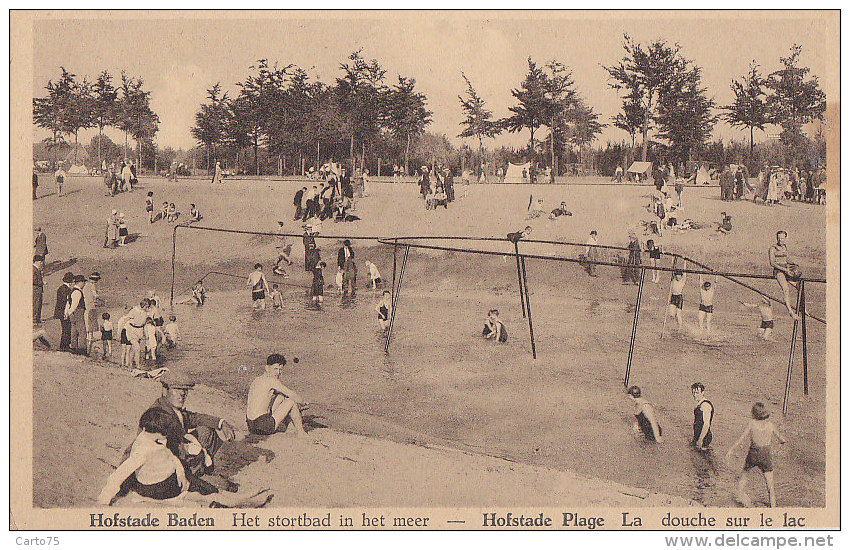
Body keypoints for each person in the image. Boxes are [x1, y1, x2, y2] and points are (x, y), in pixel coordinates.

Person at [135, 368, 238, 495]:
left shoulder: (172, 408)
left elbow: (196, 417)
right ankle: (200, 475)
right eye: (177, 389)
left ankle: (201, 472)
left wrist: (221, 423)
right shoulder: (158, 415)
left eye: (185, 390)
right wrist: (191, 450)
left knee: (206, 430)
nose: (182, 394)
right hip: (166, 467)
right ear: (164, 390)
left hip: (179, 457)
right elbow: (156, 449)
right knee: (219, 488)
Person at [98, 408, 189, 505]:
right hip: (157, 486)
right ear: (160, 431)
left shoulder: (149, 437)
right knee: (188, 486)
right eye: (165, 433)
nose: (166, 436)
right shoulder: (143, 450)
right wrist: (105, 497)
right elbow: (121, 472)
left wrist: (180, 473)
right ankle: (161, 498)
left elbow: (170, 455)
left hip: (152, 480)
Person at [725, 403, 786, 507]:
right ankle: (773, 507)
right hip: (765, 455)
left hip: (753, 454)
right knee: (770, 485)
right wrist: (780, 443)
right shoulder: (770, 425)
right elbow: (782, 440)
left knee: (744, 475)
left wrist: (731, 450)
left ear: (754, 413)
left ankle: (739, 498)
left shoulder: (752, 423)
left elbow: (741, 438)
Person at [246, 354, 308, 437]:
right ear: (267, 368)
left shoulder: (257, 380)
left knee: (281, 397)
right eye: (275, 369)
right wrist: (303, 403)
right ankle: (301, 432)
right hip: (263, 426)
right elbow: (292, 395)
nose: (278, 372)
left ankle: (289, 427)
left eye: (280, 369)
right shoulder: (272, 380)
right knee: (291, 401)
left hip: (251, 425)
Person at [768, 231, 800, 319]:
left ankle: (801, 307)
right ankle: (790, 311)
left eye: (782, 238)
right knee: (786, 289)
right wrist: (785, 270)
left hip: (786, 270)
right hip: (779, 271)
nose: (780, 240)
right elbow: (772, 263)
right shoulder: (772, 248)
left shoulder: (785, 247)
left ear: (785, 238)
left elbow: (786, 260)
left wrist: (794, 263)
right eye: (778, 238)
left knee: (799, 286)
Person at [116, 299, 152, 370]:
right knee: (137, 348)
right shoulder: (134, 310)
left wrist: (146, 334)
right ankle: (138, 366)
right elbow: (125, 319)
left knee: (133, 350)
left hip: (140, 331)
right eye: (146, 307)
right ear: (143, 305)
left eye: (148, 307)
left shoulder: (145, 313)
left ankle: (130, 364)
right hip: (132, 330)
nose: (147, 308)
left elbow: (144, 324)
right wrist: (119, 332)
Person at [64, 275, 87, 354]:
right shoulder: (77, 292)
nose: (84, 284)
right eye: (83, 282)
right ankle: (81, 349)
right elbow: (74, 304)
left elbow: (68, 303)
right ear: (80, 282)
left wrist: (67, 312)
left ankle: (74, 347)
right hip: (78, 312)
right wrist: (70, 312)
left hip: (73, 313)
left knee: (74, 330)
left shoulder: (71, 291)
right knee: (81, 331)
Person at [82, 272, 101, 355]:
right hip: (91, 306)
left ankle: (88, 340)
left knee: (87, 323)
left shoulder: (85, 285)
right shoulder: (92, 286)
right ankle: (90, 342)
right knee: (91, 325)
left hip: (86, 306)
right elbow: (95, 295)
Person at [54, 272, 74, 351]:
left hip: (60, 311)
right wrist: (66, 313)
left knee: (65, 328)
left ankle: (64, 345)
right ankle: (64, 346)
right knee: (67, 328)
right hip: (64, 312)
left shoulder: (61, 288)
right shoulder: (66, 289)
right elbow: (66, 302)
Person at [691, 383, 714, 451]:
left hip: (704, 436)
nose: (695, 395)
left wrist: (700, 440)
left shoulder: (705, 405)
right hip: (699, 435)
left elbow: (706, 424)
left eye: (697, 393)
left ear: (702, 392)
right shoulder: (700, 404)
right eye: (693, 393)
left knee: (702, 458)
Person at [33, 255, 45, 325]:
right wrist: (42, 282)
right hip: (36, 291)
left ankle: (37, 319)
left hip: (38, 291)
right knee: (36, 305)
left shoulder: (37, 269)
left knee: (38, 305)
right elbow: (33, 280)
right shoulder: (33, 269)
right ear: (36, 261)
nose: (41, 263)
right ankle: (35, 320)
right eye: (40, 261)